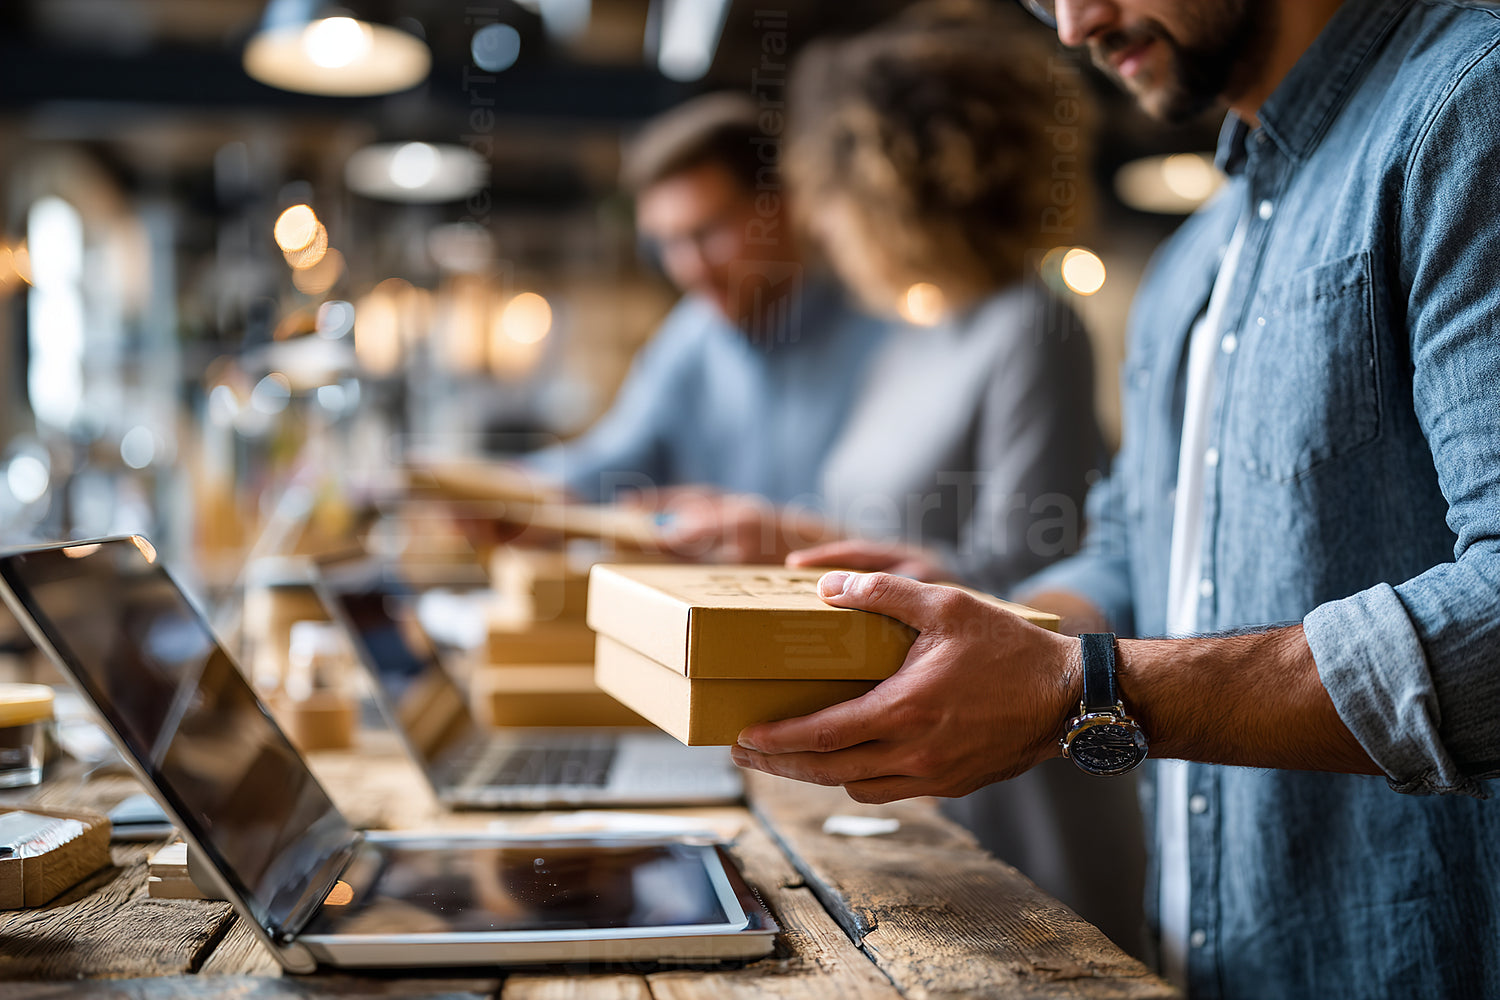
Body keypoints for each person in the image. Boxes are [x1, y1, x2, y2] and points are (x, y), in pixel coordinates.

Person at [731, 0, 1500, 996]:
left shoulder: (1465, 109)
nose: (1074, 23)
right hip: (1204, 954)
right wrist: (982, 618)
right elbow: (1134, 552)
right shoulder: (1196, 259)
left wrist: (1084, 687)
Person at [523, 93, 890, 508]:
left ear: (782, 208)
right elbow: (620, 460)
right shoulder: (694, 334)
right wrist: (509, 490)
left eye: (708, 233)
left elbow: (918, 523)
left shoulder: (887, 329)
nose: (690, 268)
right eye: (668, 243)